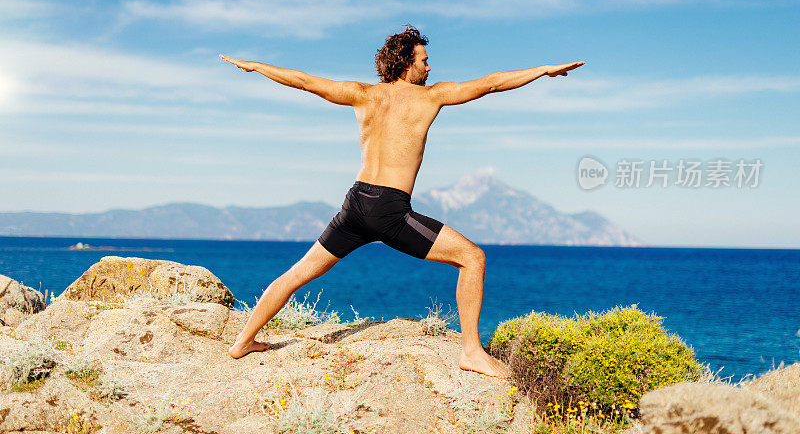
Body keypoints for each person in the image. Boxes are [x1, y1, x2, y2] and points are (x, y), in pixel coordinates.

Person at [220, 25, 584, 378]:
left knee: (298, 272)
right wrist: (542, 70)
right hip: (389, 210)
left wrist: (255, 66)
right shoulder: (430, 96)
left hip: (357, 203)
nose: (429, 67)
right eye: (424, 60)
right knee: (472, 258)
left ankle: (242, 342)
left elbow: (303, 80)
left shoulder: (361, 93)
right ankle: (472, 351)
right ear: (406, 63)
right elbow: (490, 83)